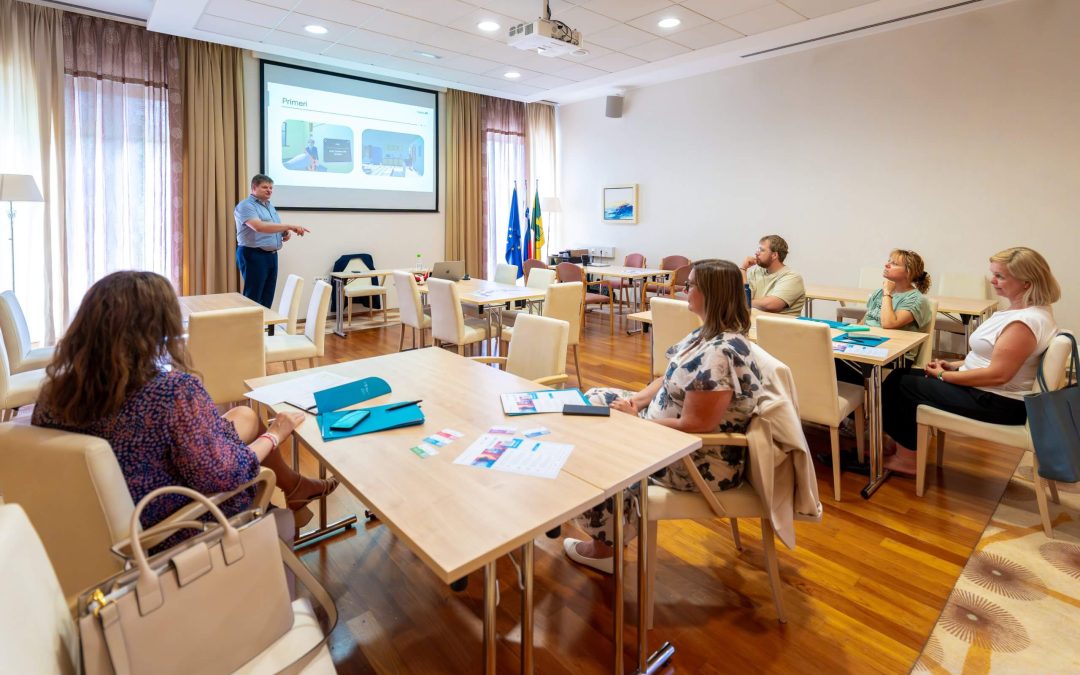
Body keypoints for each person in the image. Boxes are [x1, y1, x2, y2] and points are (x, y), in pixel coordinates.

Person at [32, 271, 338, 541]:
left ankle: (296, 486)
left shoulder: (53, 394)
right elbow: (225, 476)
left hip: (89, 528)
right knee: (258, 436)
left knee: (243, 415)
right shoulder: (171, 392)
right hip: (169, 528)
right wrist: (275, 434)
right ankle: (278, 528)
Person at [563, 259, 764, 573]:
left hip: (697, 460)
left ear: (711, 294)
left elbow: (696, 426)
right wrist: (636, 402)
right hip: (670, 434)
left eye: (691, 284)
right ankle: (605, 519)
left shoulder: (719, 353)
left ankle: (606, 545)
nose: (684, 288)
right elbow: (668, 374)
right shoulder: (707, 334)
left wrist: (635, 425)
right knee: (592, 402)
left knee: (595, 445)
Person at [881, 247, 1060, 474]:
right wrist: (955, 365)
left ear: (1027, 282)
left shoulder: (1024, 323)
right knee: (899, 376)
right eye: (993, 273)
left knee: (902, 386)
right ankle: (901, 446)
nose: (992, 280)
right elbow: (994, 359)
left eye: (1000, 276)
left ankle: (907, 460)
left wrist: (945, 375)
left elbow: (998, 375)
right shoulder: (1025, 312)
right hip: (989, 392)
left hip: (998, 401)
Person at [837, 249, 933, 385]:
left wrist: (887, 292)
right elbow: (865, 321)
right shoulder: (879, 293)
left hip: (895, 355)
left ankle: (868, 399)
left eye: (894, 263)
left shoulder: (916, 299)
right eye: (889, 261)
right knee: (826, 355)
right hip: (867, 345)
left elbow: (889, 323)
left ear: (908, 272)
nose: (887, 265)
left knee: (835, 363)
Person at [234, 174, 309, 310]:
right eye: (264, 187)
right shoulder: (246, 206)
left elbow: (272, 226)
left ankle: (265, 327)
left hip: (271, 255)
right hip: (253, 255)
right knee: (254, 296)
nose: (269, 190)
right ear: (254, 188)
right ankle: (251, 329)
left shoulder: (269, 206)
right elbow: (258, 226)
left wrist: (283, 233)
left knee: (268, 295)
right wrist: (289, 226)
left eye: (271, 188)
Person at [740, 234, 805, 315]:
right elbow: (742, 298)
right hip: (756, 324)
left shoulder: (792, 277)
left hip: (780, 326)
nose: (756, 253)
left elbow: (771, 305)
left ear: (774, 255)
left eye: (762, 250)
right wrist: (743, 269)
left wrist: (747, 303)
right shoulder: (756, 272)